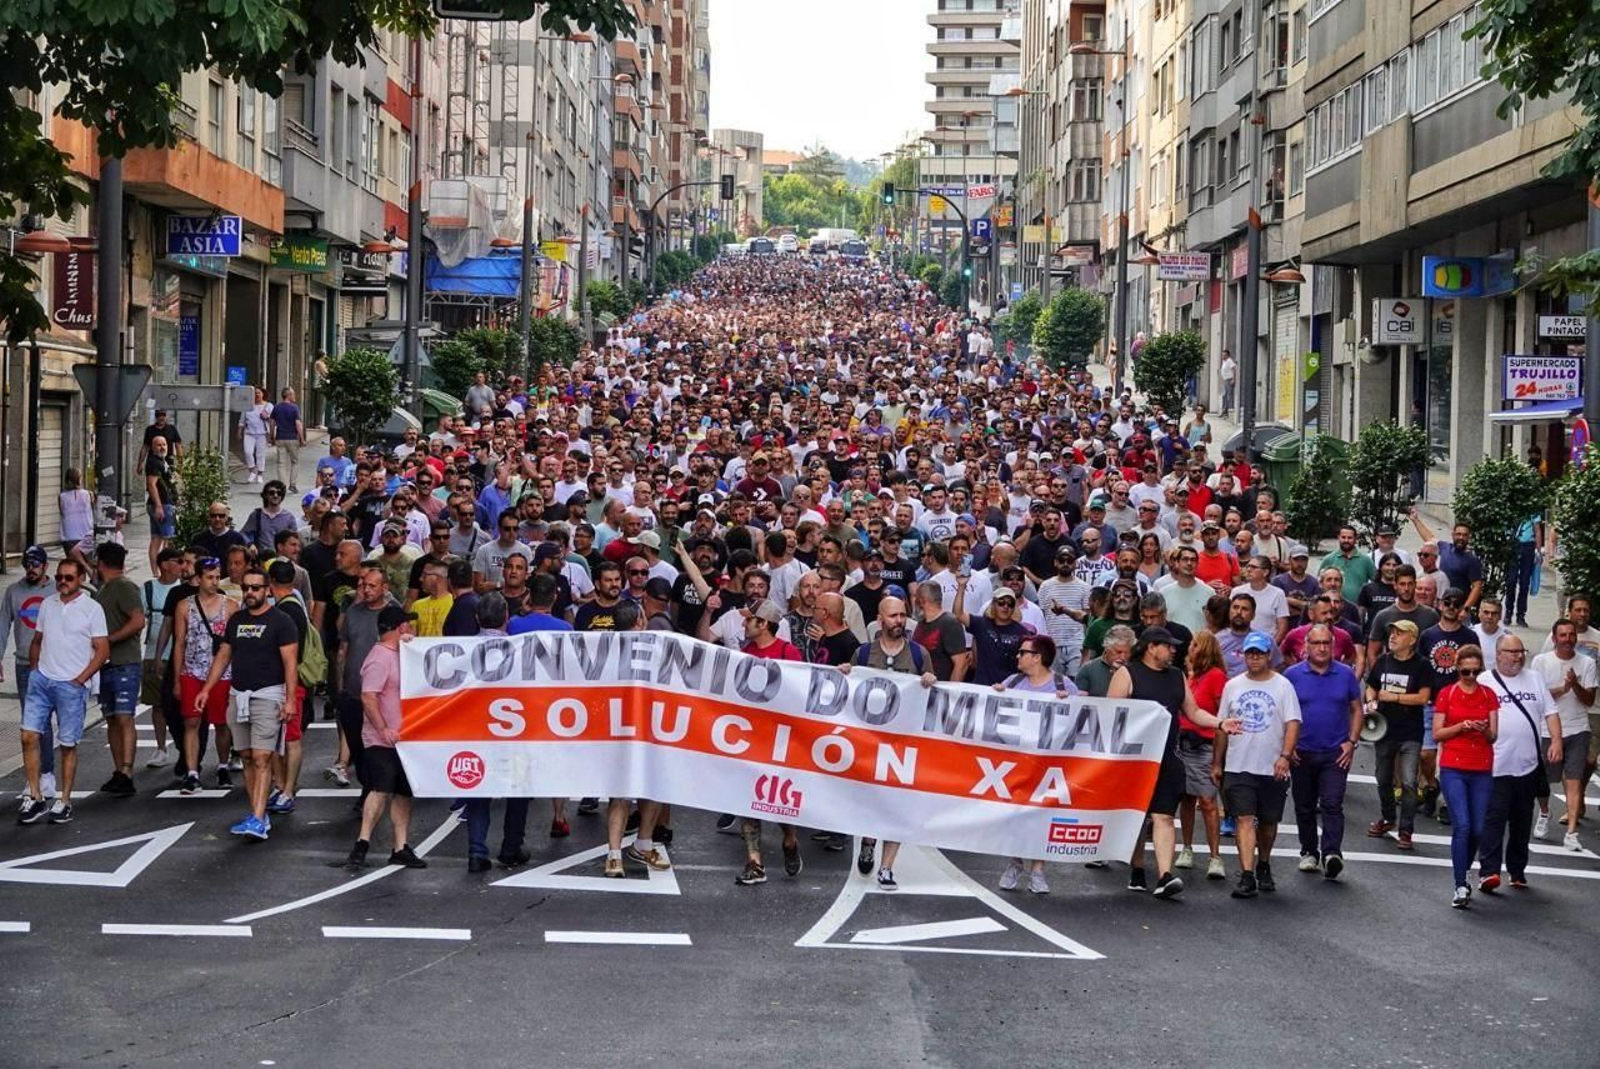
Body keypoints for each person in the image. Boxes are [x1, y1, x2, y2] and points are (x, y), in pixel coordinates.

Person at [1109, 626, 1235, 897]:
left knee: (1164, 816)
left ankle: (1165, 875)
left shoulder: (1177, 677)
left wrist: (1221, 723)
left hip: (1167, 756)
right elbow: (1111, 716)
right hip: (1135, 760)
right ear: (1152, 647)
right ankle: (1138, 867)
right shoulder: (1127, 674)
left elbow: (1194, 712)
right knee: (1138, 819)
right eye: (1169, 646)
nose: (1174, 650)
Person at [194, 567, 298, 840]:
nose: (250, 592)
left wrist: (290, 700)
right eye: (246, 588)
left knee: (263, 756)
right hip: (238, 697)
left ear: (267, 590)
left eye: (255, 588)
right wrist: (207, 689)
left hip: (269, 696)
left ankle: (256, 818)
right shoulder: (236, 620)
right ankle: (258, 815)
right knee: (248, 757)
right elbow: (224, 655)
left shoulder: (282, 621)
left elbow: (290, 663)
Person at [839, 596, 936, 889]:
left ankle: (887, 868)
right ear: (880, 620)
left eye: (903, 615)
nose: (899, 621)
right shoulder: (864, 653)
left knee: (897, 805)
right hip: (869, 742)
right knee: (871, 801)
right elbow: (849, 693)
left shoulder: (919, 655)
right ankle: (868, 838)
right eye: (893, 616)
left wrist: (930, 681)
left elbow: (932, 700)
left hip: (903, 745)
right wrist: (845, 673)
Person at [16, 559, 108, 825]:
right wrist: (35, 671)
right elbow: (37, 640)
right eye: (59, 577)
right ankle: (35, 797)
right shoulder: (47, 604)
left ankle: (65, 800)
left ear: (81, 579)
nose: (63, 582)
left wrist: (80, 680)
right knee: (28, 735)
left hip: (71, 685)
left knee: (68, 744)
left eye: (68, 577)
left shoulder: (92, 609)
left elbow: (102, 650)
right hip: (42, 681)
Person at [1213, 631, 1302, 898]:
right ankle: (1247, 873)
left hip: (1271, 764)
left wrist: (1285, 755)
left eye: (1259, 654)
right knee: (1243, 817)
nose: (1254, 658)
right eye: (1250, 653)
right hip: (1239, 764)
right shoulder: (1233, 685)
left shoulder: (1283, 686)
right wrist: (1217, 761)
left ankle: (1263, 863)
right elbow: (1221, 727)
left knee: (1268, 821)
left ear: (1269, 656)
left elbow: (1293, 722)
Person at [1477, 634, 1561, 892]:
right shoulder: (1484, 681)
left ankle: (1517, 869)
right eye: (1512, 652)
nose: (1518, 656)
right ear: (1499, 654)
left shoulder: (1534, 678)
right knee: (1494, 819)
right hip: (1496, 765)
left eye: (1521, 651)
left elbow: (1551, 712)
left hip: (1528, 765)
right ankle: (1489, 871)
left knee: (1522, 821)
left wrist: (1556, 740)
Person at [347, 606, 428, 869]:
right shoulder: (380, 657)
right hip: (382, 740)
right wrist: (383, 729)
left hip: (404, 737)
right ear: (400, 627)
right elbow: (368, 696)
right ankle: (362, 842)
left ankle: (400, 846)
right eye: (408, 625)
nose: (412, 628)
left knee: (403, 792)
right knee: (380, 789)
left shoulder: (402, 652)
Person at [994, 635, 1077, 894]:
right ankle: (1016, 861)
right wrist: (994, 694)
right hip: (1016, 762)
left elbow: (1083, 716)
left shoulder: (1063, 685)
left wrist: (1072, 702)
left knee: (1043, 815)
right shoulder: (1014, 682)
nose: (1017, 656)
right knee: (1015, 814)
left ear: (1037, 657)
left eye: (1023, 652)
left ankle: (1038, 870)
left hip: (1047, 765)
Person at [732, 599, 805, 886]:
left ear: (763, 624)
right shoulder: (744, 653)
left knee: (775, 800)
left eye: (749, 619)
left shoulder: (789, 653)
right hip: (750, 738)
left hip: (779, 739)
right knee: (747, 800)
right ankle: (754, 863)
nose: (743, 623)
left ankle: (789, 838)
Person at [1285, 624, 1364, 880]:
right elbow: (1282, 714)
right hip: (1302, 752)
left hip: (1335, 752)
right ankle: (1309, 851)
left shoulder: (1345, 674)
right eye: (1316, 643)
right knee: (1304, 806)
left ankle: (1332, 853)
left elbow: (1356, 708)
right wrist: (1288, 747)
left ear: (1333, 646)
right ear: (1305, 647)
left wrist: (1351, 742)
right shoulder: (1292, 676)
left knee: (1332, 803)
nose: (1321, 648)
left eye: (1326, 643)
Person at [1431, 643, 1498, 908]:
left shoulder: (1488, 695)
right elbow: (1437, 733)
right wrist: (1462, 726)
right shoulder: (1447, 694)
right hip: (1453, 766)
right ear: (1458, 669)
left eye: (1474, 671)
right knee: (1463, 824)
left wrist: (1481, 730)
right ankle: (1460, 883)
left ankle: (1465, 869)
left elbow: (1493, 736)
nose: (1470, 676)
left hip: (1481, 767)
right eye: (1465, 672)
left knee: (1479, 829)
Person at [1363, 619, 1431, 849]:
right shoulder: (1383, 661)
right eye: (1391, 632)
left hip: (1410, 731)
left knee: (1409, 781)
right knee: (1383, 778)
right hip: (1383, 729)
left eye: (1399, 633)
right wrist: (1371, 700)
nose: (1392, 637)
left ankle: (1406, 829)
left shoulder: (1421, 665)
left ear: (1412, 639)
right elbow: (1372, 685)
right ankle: (1388, 818)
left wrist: (1396, 697)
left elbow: (1423, 697)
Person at [1530, 619, 1595, 852]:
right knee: (1545, 780)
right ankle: (1545, 813)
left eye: (1571, 635)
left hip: (1578, 729)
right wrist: (1563, 689)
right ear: (1554, 638)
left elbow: (1589, 700)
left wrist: (1575, 685)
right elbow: (1537, 698)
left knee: (1574, 780)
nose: (1568, 639)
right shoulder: (1540, 662)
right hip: (1548, 729)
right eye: (1563, 635)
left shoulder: (1587, 662)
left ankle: (1572, 832)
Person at [2, 546, 57, 803]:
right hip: (25, 665)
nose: (31, 569)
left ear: (45, 566)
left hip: (55, 664)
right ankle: (40, 775)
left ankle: (47, 773)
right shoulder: (14, 592)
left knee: (52, 723)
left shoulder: (57, 590)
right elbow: (3, 626)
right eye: (27, 565)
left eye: (35, 565)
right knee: (34, 723)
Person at [92, 542, 145, 798]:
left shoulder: (124, 587)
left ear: (100, 562)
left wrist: (110, 639)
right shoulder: (102, 590)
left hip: (125, 661)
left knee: (124, 717)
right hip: (106, 664)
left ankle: (127, 770)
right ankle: (118, 771)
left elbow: (138, 620)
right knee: (112, 717)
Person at [1177, 629, 1228, 880]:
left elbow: (1221, 714)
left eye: (1195, 645)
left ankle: (1215, 856)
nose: (1190, 648)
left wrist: (1218, 760)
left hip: (1205, 744)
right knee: (1186, 798)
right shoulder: (1190, 676)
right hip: (1183, 742)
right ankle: (1186, 848)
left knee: (1208, 801)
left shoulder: (1217, 676)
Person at [144, 433, 178, 574]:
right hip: (162, 505)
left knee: (157, 538)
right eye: (158, 444)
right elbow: (151, 484)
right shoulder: (153, 462)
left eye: (164, 444)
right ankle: (166, 571)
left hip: (161, 505)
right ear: (152, 447)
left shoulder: (163, 461)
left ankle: (156, 573)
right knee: (169, 540)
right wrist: (159, 506)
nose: (162, 447)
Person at [268, 387, 306, 492]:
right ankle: (292, 484)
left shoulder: (276, 408)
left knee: (281, 463)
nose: (294, 396)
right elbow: (298, 424)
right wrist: (302, 438)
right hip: (292, 438)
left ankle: (282, 485)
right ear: (288, 395)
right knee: (295, 461)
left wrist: (272, 437)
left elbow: (271, 423)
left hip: (280, 438)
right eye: (293, 394)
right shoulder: (294, 408)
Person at [58, 469, 94, 573]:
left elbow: (62, 512)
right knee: (87, 564)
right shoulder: (88, 494)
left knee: (73, 567)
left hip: (68, 535)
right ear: (80, 480)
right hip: (86, 533)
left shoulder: (61, 497)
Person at [239, 386, 273, 484]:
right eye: (254, 393)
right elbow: (242, 420)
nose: (256, 395)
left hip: (262, 433)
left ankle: (260, 474)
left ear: (263, 394)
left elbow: (273, 419)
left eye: (258, 393)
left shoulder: (269, 406)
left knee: (260, 454)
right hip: (249, 433)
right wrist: (239, 431)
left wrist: (267, 417)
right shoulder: (247, 406)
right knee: (248, 452)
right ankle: (252, 470)